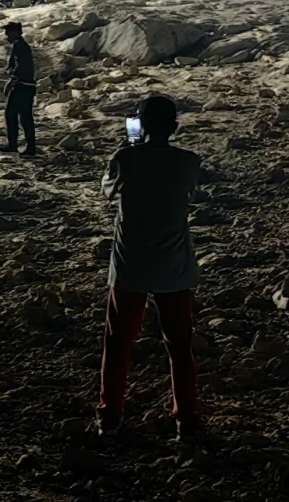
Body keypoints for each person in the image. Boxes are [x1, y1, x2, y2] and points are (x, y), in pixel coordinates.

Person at [96, 95, 203, 440]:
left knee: (117, 343)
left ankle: (109, 416)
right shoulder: (189, 161)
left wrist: (129, 146)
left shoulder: (125, 158)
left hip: (131, 265)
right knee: (179, 345)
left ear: (139, 126)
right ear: (174, 127)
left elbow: (107, 191)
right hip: (174, 267)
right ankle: (185, 418)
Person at [3, 21, 38, 155]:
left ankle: (13, 144)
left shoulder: (19, 46)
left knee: (11, 114)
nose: (6, 35)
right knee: (25, 116)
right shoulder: (22, 45)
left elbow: (20, 66)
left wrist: (12, 80)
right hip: (28, 85)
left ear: (14, 33)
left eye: (8, 32)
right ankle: (30, 146)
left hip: (21, 85)